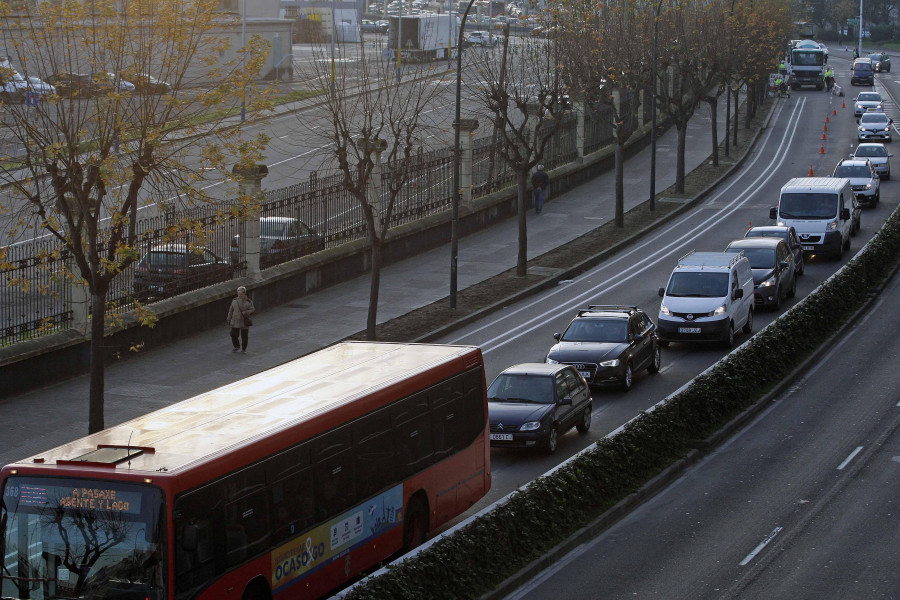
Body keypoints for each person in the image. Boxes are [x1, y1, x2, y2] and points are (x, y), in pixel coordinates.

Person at [226, 286, 255, 353]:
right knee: (233, 334)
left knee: (244, 335)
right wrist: (228, 318)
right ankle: (236, 346)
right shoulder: (234, 301)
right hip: (235, 320)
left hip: (244, 320)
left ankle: (244, 349)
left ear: (244, 293)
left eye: (241, 294)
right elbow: (231, 310)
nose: (239, 295)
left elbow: (252, 309)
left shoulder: (248, 301)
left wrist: (246, 312)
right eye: (238, 294)